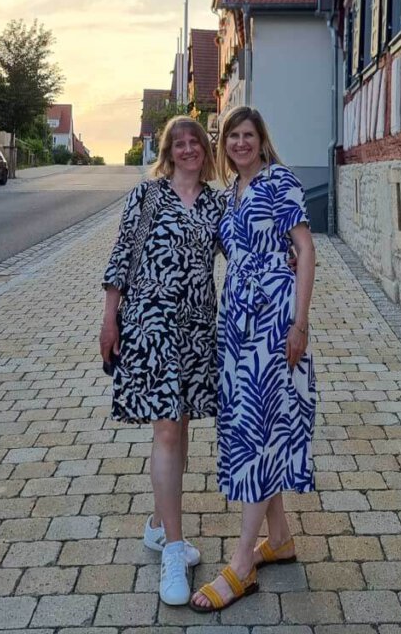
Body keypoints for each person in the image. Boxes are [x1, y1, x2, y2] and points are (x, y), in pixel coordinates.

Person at [191, 106, 316, 613]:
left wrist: (299, 323)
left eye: (248, 135)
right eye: (232, 136)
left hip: (274, 322)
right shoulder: (231, 195)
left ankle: (242, 562)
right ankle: (279, 537)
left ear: (262, 141)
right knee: (257, 427)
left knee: (262, 430)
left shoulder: (278, 181)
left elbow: (304, 250)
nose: (240, 142)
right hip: (237, 325)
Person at [100, 116, 223, 607]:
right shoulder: (146, 195)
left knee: (182, 427)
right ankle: (173, 549)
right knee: (167, 429)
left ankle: (157, 525)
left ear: (204, 150)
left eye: (196, 142)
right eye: (180, 142)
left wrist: (293, 255)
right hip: (151, 322)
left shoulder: (217, 202)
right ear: (169, 150)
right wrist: (111, 320)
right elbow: (120, 256)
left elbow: (244, 248)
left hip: (196, 326)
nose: (189, 148)